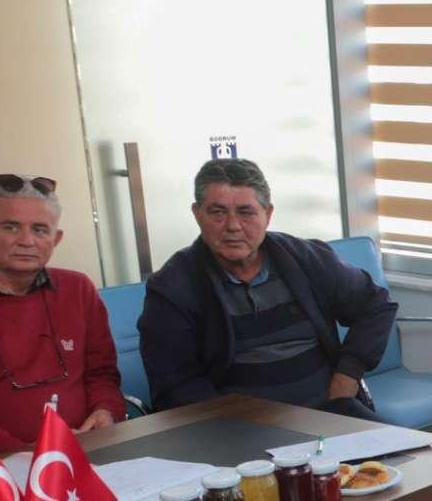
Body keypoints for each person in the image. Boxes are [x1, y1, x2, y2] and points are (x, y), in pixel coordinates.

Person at [139, 158, 396, 416]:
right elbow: (176, 387)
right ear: (197, 215)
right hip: (234, 426)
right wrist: (240, 424)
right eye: (217, 212)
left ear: (268, 214)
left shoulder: (306, 258)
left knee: (405, 442)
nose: (233, 226)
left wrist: (348, 374)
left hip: (329, 411)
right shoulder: (173, 288)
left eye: (246, 212)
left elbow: (376, 305)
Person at [0, 174, 126, 461]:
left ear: (56, 238)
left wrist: (105, 411)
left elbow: (101, 374)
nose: (27, 241)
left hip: (86, 453)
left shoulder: (78, 289)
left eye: (40, 229)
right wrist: (22, 451)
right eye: (11, 227)